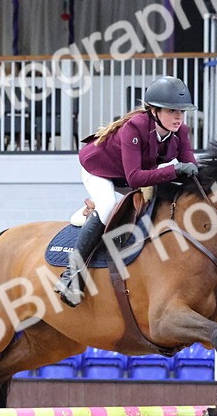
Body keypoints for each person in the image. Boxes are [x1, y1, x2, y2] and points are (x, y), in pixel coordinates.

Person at [53, 76, 200, 307]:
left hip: (131, 173)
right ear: (154, 111)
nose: (178, 117)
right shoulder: (134, 128)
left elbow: (189, 168)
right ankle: (71, 275)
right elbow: (135, 178)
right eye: (172, 111)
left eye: (182, 111)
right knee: (109, 207)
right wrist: (175, 169)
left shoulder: (181, 132)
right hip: (100, 169)